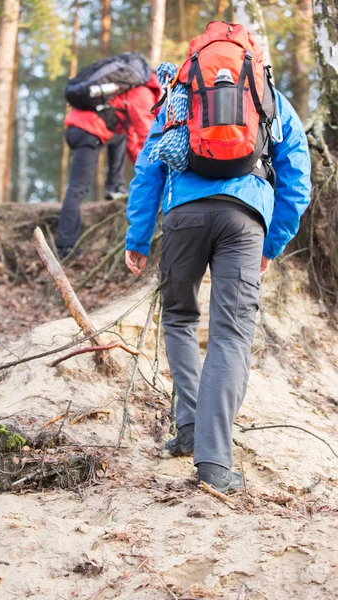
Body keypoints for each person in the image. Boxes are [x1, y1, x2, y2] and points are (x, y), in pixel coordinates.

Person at [124, 81, 311, 494]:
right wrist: (272, 243)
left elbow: (148, 166)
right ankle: (214, 462)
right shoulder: (268, 98)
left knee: (179, 318)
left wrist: (137, 238)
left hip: (183, 215)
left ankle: (189, 428)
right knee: (230, 334)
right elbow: (297, 177)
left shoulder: (181, 96)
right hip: (244, 221)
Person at [56, 73, 161, 259]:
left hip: (81, 126)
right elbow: (147, 138)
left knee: (119, 136)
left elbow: (131, 141)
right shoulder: (143, 95)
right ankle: (67, 246)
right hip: (88, 130)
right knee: (78, 188)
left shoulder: (131, 91)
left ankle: (114, 186)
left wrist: (144, 168)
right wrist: (158, 172)